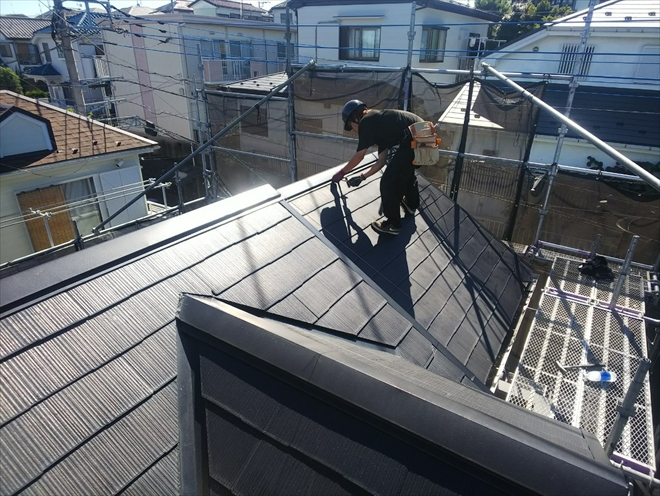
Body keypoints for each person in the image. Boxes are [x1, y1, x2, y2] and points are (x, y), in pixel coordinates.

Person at [332, 99, 423, 236]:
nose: (353, 130)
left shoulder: (366, 121)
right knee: (405, 173)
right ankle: (411, 205)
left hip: (416, 138)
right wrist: (362, 177)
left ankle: (393, 224)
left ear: (355, 118)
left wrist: (342, 172)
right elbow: (380, 162)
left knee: (388, 182)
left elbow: (359, 156)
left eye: (351, 126)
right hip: (425, 138)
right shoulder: (381, 126)